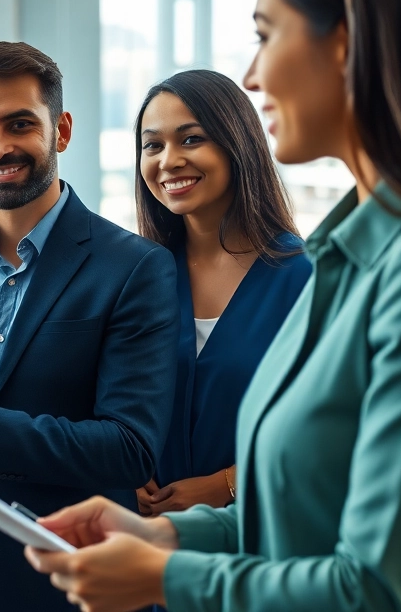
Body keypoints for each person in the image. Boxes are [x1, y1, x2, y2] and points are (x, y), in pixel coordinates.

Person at [24, 0, 401, 612]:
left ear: (349, 41)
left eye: (267, 35)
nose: (253, 73)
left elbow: (381, 592)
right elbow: (303, 515)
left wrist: (165, 577)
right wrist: (163, 535)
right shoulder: (354, 255)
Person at [0, 41, 180, 612]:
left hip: (56, 580)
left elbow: (129, 449)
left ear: (60, 131)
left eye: (19, 124)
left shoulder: (135, 268)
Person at [132, 70, 310, 518]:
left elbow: (326, 425)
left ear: (237, 144)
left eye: (191, 139)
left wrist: (228, 484)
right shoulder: (139, 274)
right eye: (152, 146)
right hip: (146, 538)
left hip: (263, 530)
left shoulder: (306, 278)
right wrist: (122, 468)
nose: (169, 161)